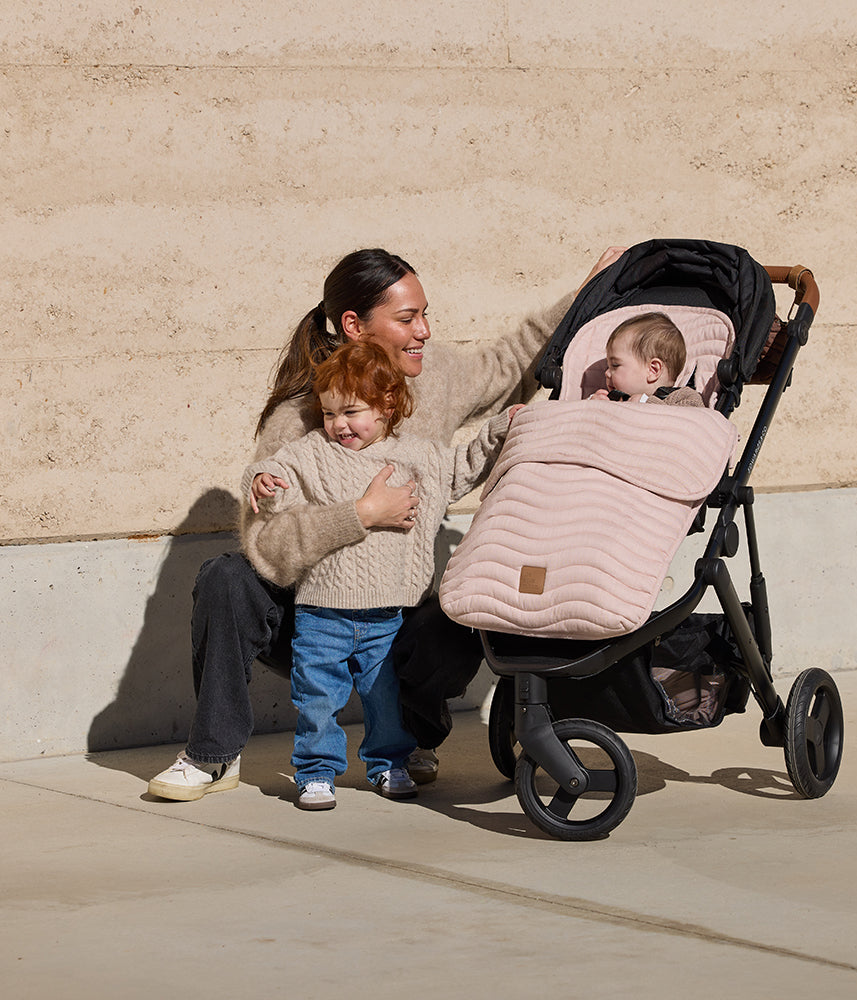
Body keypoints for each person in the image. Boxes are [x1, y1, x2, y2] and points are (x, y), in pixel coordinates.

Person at [148, 245, 625, 802]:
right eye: (406, 319)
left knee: (462, 615)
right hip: (313, 618)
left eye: (425, 314)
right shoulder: (304, 414)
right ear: (354, 326)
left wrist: (587, 295)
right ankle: (213, 753)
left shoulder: (436, 375)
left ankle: (412, 737)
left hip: (395, 608)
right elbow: (267, 546)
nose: (422, 330)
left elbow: (512, 362)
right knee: (226, 577)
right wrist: (359, 516)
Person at [243, 342, 519, 809]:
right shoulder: (313, 453)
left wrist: (500, 428)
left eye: (351, 411)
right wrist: (263, 480)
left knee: (384, 698)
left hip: (387, 616)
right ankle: (315, 772)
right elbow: (277, 472)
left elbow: (466, 464)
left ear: (387, 404)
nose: (338, 425)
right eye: (329, 413)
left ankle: (388, 763)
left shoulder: (421, 458)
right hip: (322, 614)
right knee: (317, 699)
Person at [590, 311, 704, 406]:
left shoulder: (683, 397)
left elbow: (692, 422)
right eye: (608, 366)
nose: (606, 373)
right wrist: (594, 407)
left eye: (615, 365)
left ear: (653, 370)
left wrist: (648, 403)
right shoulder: (612, 401)